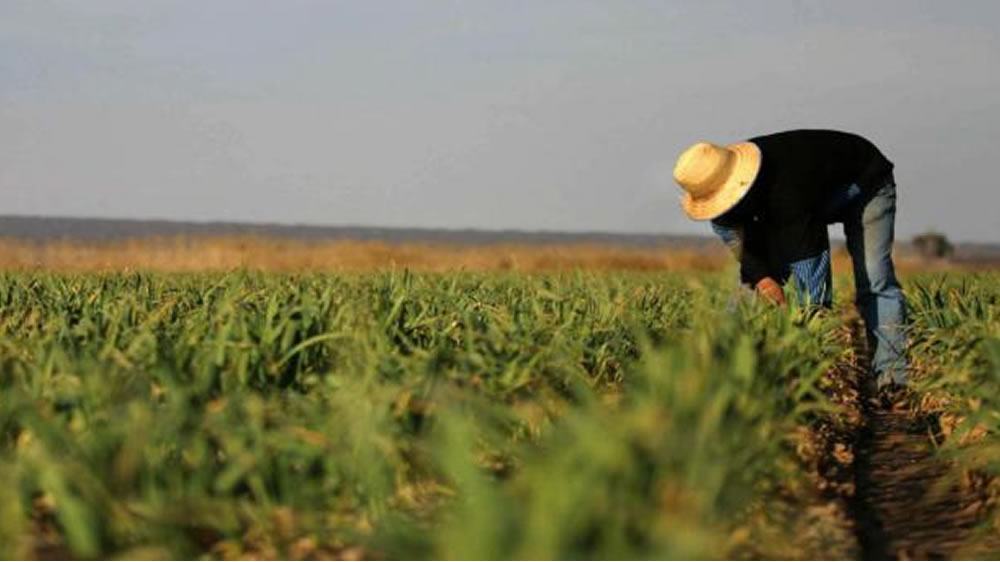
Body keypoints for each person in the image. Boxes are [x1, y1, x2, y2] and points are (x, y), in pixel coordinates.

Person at [672, 129, 908, 399]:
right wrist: (764, 280)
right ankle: (726, 378)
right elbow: (744, 250)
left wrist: (807, 347)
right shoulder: (723, 208)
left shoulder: (787, 195)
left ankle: (891, 381)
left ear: (738, 187)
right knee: (748, 296)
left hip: (863, 184)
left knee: (874, 278)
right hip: (808, 198)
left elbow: (814, 286)